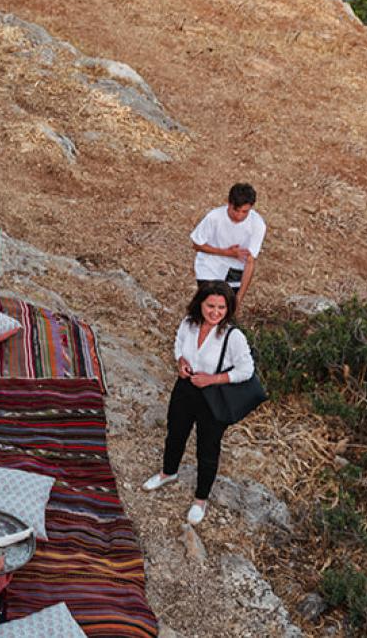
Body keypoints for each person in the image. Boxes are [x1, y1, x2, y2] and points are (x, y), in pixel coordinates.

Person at [141, 282, 255, 525]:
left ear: (229, 308)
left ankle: (200, 499)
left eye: (221, 307)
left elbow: (247, 369)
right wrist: (180, 361)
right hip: (186, 388)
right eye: (210, 306)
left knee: (208, 447)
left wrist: (214, 379)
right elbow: (179, 344)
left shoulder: (233, 336)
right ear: (200, 304)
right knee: (175, 433)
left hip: (213, 396)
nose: (215, 312)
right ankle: (168, 472)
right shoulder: (189, 323)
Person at [190, 182, 265, 311]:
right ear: (229, 204)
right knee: (209, 305)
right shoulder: (214, 217)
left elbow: (250, 262)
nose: (239, 215)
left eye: (245, 212)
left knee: (225, 312)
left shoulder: (257, 224)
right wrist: (227, 253)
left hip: (235, 272)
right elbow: (197, 244)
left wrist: (238, 299)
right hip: (209, 266)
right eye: (236, 210)